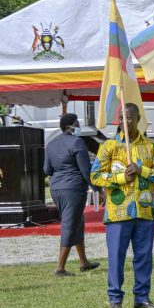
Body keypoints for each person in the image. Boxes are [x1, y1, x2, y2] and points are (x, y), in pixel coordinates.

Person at [90, 104, 154, 308]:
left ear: (138, 119)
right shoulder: (109, 147)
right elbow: (95, 176)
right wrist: (120, 177)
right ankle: (115, 299)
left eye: (129, 118)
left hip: (145, 210)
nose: (125, 122)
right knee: (116, 256)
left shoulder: (152, 147)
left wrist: (141, 170)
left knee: (143, 256)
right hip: (118, 212)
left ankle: (142, 298)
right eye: (121, 118)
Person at [44, 112, 100, 277]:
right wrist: (97, 189)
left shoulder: (51, 144)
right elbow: (85, 170)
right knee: (70, 224)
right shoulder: (78, 142)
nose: (78, 127)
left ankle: (84, 262)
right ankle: (60, 268)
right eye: (76, 124)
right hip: (73, 189)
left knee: (77, 221)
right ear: (68, 126)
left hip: (56, 189)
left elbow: (47, 170)